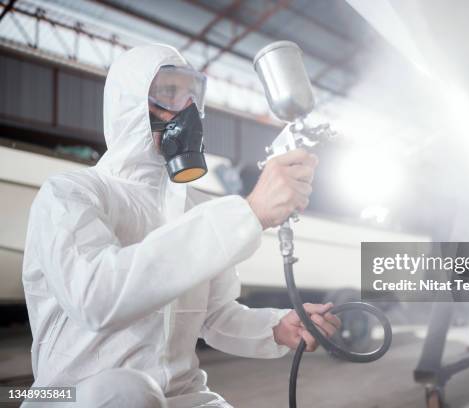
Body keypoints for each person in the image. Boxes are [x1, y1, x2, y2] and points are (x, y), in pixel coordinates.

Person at [21, 44, 340, 408]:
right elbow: (96, 298)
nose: (187, 108)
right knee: (128, 394)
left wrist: (277, 327)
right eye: (169, 93)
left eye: (192, 95)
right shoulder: (69, 195)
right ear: (130, 105)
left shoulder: (195, 208)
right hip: (72, 396)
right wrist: (248, 214)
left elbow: (215, 315)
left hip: (181, 396)